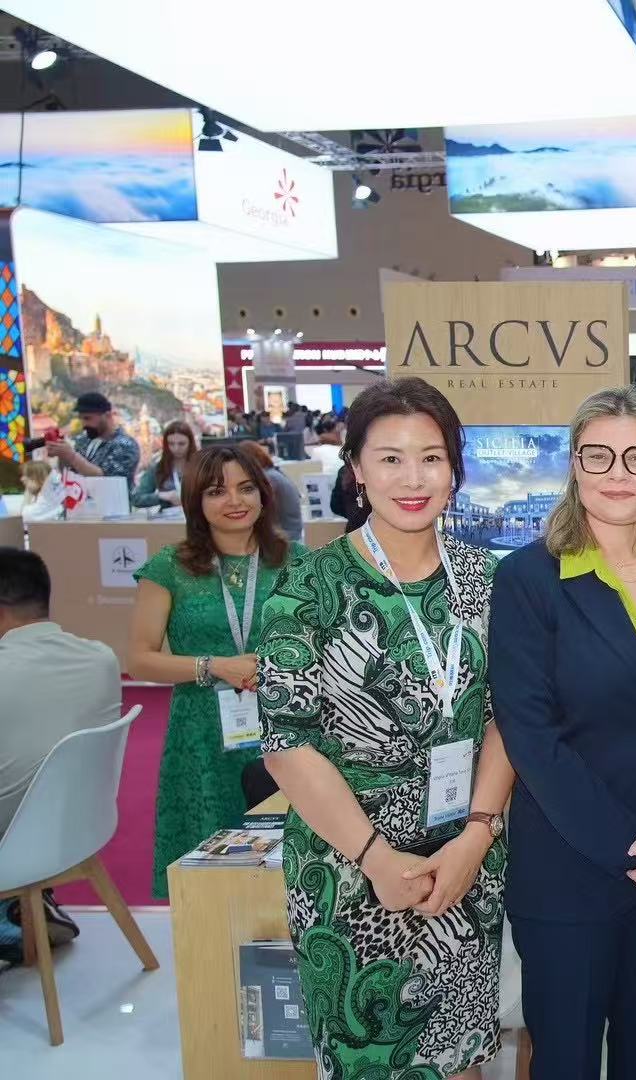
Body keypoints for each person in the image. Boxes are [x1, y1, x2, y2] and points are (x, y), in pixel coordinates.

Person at [259, 377, 514, 1079]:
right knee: (369, 1058)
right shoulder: (308, 585)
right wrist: (376, 859)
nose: (413, 478)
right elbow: (286, 744)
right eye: (391, 458)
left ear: (454, 471)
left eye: (431, 458)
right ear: (357, 471)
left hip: (464, 860)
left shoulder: (487, 580)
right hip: (348, 868)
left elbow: (509, 718)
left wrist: (476, 836)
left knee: (459, 1057)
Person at [490, 385, 636, 1080]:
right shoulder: (529, 578)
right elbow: (531, 736)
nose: (618, 473)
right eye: (599, 456)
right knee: (565, 1058)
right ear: (574, 464)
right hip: (571, 867)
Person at [128, 445, 305, 898]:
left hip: (287, 724)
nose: (235, 501)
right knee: (208, 879)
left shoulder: (298, 561)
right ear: (196, 501)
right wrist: (213, 666)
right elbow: (140, 659)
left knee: (294, 865)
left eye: (246, 488)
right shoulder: (169, 567)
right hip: (202, 731)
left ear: (264, 494)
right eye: (216, 491)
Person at [0, 547, 121, 958]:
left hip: (12, 846)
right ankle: (27, 907)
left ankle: (15, 910)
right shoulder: (102, 659)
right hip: (80, 829)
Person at [44, 392, 141, 493]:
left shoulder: (125, 444)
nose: (84, 424)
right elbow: (70, 473)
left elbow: (105, 479)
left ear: (107, 416)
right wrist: (62, 454)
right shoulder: (83, 440)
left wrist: (71, 456)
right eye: (81, 419)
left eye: (87, 418)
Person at [238, 440, 306, 545]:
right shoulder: (274, 473)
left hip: (285, 540)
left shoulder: (268, 478)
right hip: (290, 535)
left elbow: (262, 512)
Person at [131, 421, 197, 511]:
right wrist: (164, 496)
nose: (176, 448)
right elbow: (137, 499)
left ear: (190, 443)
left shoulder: (201, 467)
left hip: (197, 517)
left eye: (181, 444)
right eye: (171, 444)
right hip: (169, 517)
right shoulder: (158, 468)